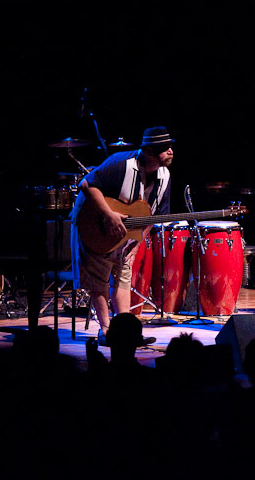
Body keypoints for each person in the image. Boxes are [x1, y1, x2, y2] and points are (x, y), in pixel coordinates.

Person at [70, 126, 174, 346]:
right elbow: (87, 184)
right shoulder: (120, 163)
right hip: (95, 222)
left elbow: (154, 216)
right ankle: (106, 330)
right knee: (99, 278)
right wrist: (108, 215)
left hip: (126, 232)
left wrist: (137, 242)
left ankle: (125, 330)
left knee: (123, 275)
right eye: (164, 148)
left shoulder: (165, 176)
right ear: (149, 152)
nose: (171, 151)